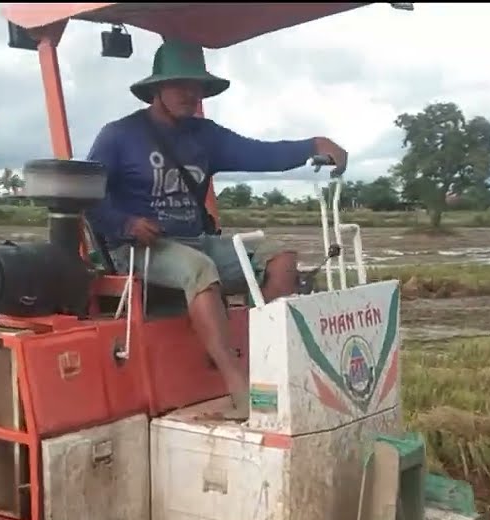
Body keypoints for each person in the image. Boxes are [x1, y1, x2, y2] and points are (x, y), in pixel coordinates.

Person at [84, 39, 349, 420]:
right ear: (157, 88)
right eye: (180, 84)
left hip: (196, 240)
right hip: (139, 249)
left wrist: (314, 144)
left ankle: (263, 363)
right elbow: (89, 196)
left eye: (197, 86)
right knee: (199, 270)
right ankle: (236, 384)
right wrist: (124, 223)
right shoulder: (118, 135)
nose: (191, 94)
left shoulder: (205, 136)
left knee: (282, 259)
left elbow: (263, 153)